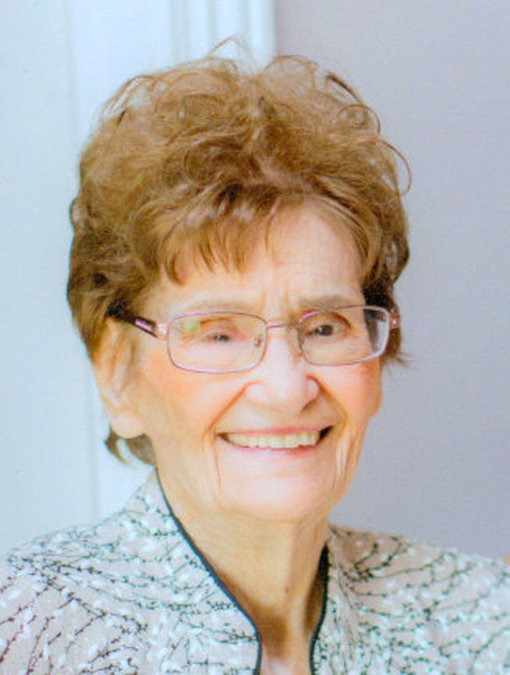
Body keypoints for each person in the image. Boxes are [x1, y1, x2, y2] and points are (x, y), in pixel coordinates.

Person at [0, 54, 508, 674]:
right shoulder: (26, 636)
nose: (286, 387)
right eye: (218, 334)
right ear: (116, 374)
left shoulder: (484, 621)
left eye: (325, 327)